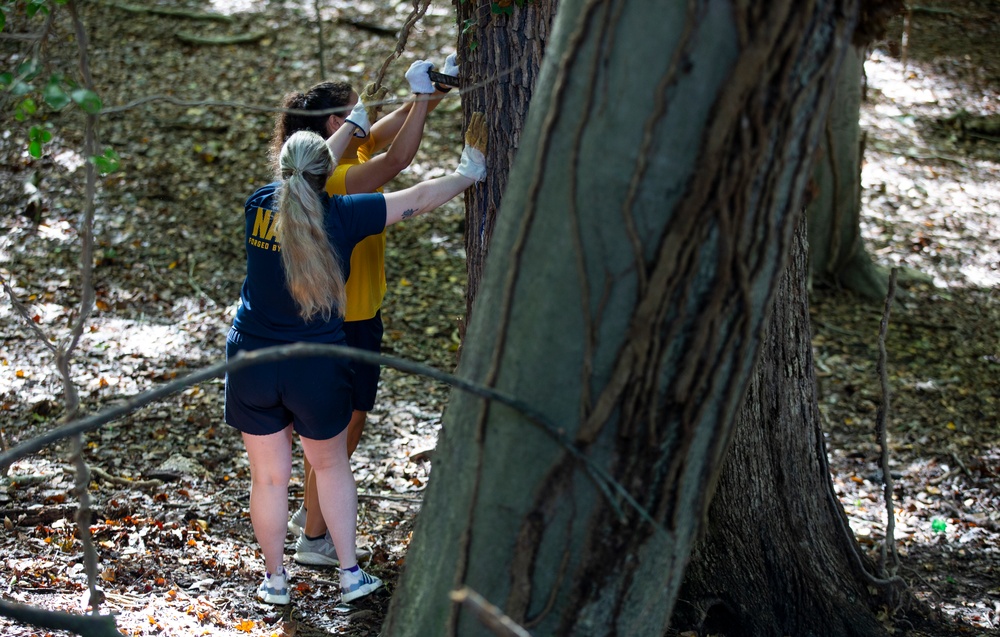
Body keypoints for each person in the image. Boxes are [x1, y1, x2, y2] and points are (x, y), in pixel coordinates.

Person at [224, 105, 486, 605]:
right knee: (329, 466)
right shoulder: (343, 214)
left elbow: (305, 170)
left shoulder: (258, 205)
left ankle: (274, 581)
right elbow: (419, 198)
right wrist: (468, 173)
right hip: (315, 365)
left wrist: (350, 127)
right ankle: (348, 576)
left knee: (269, 478)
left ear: (283, 169)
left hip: (251, 360)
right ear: (327, 173)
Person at [278, 58, 459, 567]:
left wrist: (432, 94)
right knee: (345, 425)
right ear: (336, 123)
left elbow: (382, 132)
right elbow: (396, 161)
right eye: (356, 111)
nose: (366, 117)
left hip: (354, 312)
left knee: (332, 426)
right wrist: (422, 101)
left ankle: (311, 513)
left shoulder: (329, 158)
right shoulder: (334, 178)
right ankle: (315, 540)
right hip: (347, 318)